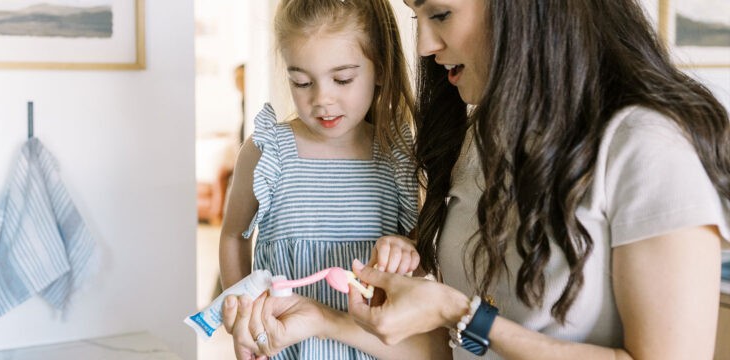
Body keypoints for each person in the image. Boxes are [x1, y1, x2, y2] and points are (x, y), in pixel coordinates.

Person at [222, 0, 730, 359]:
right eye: (416, 16)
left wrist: (458, 311)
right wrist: (324, 321)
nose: (421, 44)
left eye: (439, 13)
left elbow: (472, 326)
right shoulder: (475, 144)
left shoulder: (648, 147)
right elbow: (464, 352)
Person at [218, 0, 420, 358]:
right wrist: (244, 314)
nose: (322, 99)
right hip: (286, 347)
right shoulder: (268, 151)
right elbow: (234, 234)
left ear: (381, 70)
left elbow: (419, 262)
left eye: (342, 79)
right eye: (302, 81)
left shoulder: (397, 157)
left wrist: (408, 252)